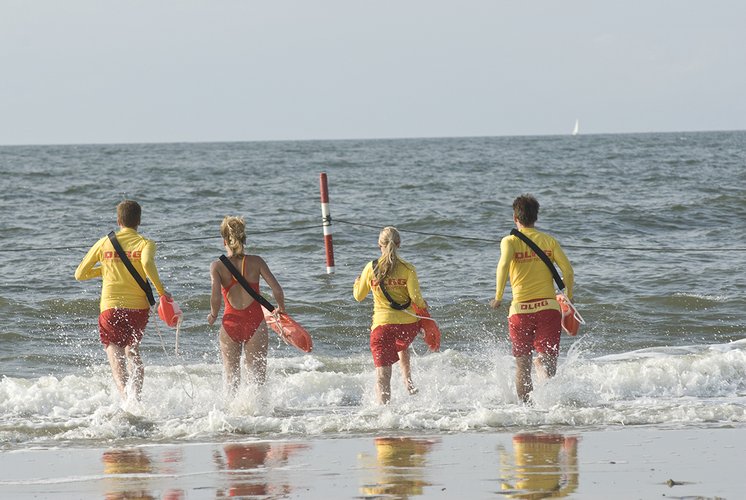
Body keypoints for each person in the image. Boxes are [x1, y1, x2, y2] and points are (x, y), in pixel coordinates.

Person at [75, 200, 169, 401]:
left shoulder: (104, 242)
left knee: (115, 352)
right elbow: (146, 262)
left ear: (118, 220)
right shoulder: (145, 243)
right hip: (138, 309)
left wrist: (106, 267)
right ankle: (137, 397)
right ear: (139, 221)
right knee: (132, 349)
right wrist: (161, 292)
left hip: (110, 308)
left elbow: (80, 274)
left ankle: (126, 397)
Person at [490, 195, 574, 403]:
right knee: (549, 363)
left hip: (520, 311)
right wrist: (569, 300)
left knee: (522, 366)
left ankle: (525, 411)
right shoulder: (549, 241)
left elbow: (502, 266)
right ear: (536, 217)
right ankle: (548, 408)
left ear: (514, 218)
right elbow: (568, 271)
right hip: (548, 309)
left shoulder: (509, 241)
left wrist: (498, 296)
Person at [207, 216, 285, 393]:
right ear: (244, 238)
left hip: (230, 324)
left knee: (231, 380)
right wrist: (281, 309)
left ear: (224, 241)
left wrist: (212, 315)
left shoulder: (217, 266)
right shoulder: (257, 261)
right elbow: (277, 289)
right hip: (256, 323)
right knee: (257, 381)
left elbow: (216, 298)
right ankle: (257, 416)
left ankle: (234, 416)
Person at [353, 226, 428, 404]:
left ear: (379, 245)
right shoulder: (408, 269)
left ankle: (385, 415)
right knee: (401, 343)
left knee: (383, 375)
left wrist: (357, 283)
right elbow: (417, 299)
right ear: (399, 244)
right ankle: (407, 379)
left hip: (382, 326)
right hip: (408, 327)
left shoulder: (371, 268)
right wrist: (424, 307)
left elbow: (359, 296)